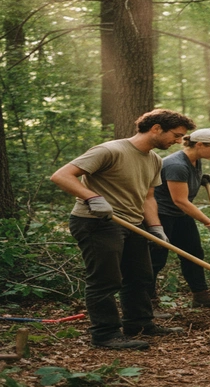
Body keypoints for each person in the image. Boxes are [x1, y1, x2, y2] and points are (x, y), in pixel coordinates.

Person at [50, 109, 195, 350]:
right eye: (176, 135)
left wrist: (156, 228)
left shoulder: (154, 160)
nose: (178, 141)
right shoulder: (110, 150)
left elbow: (148, 197)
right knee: (106, 280)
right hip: (97, 223)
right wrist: (91, 197)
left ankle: (139, 324)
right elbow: (61, 175)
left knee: (140, 276)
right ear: (156, 128)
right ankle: (104, 334)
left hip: (133, 224)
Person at [150, 128, 210, 310]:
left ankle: (201, 297)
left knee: (194, 254)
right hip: (161, 216)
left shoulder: (195, 160)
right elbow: (180, 200)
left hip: (180, 216)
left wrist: (200, 178)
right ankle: (147, 303)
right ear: (199, 145)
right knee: (155, 260)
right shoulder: (176, 165)